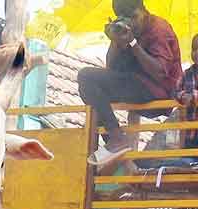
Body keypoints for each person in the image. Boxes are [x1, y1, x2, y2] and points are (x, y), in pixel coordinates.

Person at [77, 0, 181, 167]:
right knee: (90, 92)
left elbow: (160, 72)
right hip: (134, 84)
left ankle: (117, 139)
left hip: (157, 90)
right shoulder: (125, 30)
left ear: (144, 11)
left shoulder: (159, 29)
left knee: (86, 76)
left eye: (134, 17)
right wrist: (115, 41)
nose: (132, 23)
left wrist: (133, 43)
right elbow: (111, 68)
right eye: (127, 19)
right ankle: (117, 144)